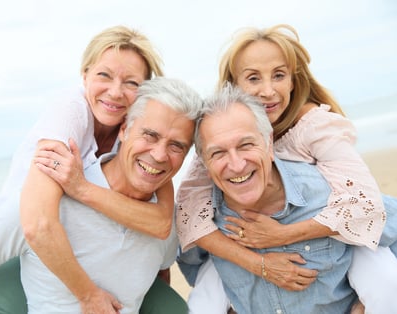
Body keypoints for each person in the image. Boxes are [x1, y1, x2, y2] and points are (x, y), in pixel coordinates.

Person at [0, 25, 183, 313]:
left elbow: (160, 222)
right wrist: (89, 295)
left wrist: (82, 188)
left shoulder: (137, 136)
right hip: (18, 249)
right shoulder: (68, 114)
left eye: (131, 83)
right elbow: (38, 226)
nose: (116, 92)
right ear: (85, 75)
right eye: (104, 75)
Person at [176, 24, 397, 313]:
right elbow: (189, 216)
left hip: (341, 227)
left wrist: (282, 235)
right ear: (233, 85)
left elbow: (365, 207)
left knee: (384, 281)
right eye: (253, 78)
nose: (268, 91)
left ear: (293, 81)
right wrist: (259, 265)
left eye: (278, 75)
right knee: (206, 296)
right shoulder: (224, 133)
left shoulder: (314, 126)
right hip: (257, 240)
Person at [21, 77, 202, 313]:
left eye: (176, 146)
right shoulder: (48, 197)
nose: (159, 155)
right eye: (150, 135)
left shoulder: (169, 222)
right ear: (124, 129)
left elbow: (160, 271)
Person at [182, 83, 358, 313]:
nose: (236, 165)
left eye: (246, 145)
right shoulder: (204, 220)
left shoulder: (326, 192)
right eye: (218, 153)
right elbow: (192, 265)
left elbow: (387, 225)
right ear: (204, 162)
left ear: (268, 143)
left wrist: (367, 302)